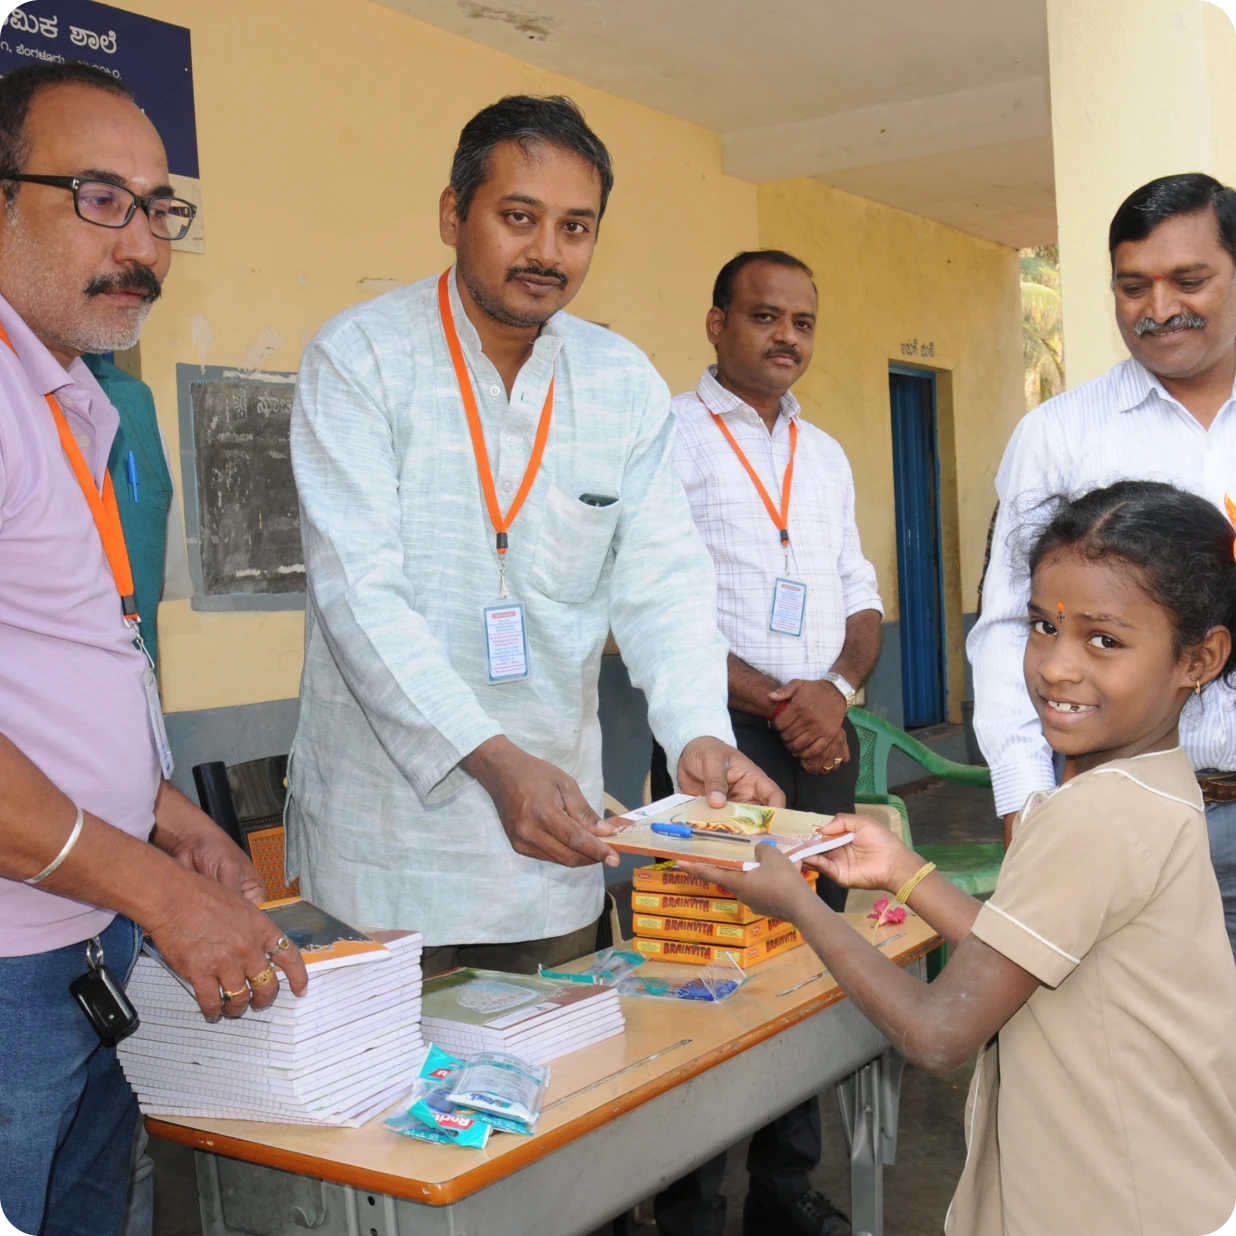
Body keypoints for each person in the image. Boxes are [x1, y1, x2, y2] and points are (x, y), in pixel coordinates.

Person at [286, 94, 780, 980]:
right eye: (520, 218)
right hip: (385, 856)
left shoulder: (620, 381)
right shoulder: (359, 358)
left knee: (556, 1098)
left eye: (576, 228)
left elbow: (664, 579)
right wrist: (497, 760)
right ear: (453, 213)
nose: (548, 253)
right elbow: (358, 595)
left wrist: (699, 732)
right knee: (394, 1111)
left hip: (553, 853)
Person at [684, 480, 1236, 1235]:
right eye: (1044, 627)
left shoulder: (1097, 815)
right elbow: (1023, 949)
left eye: (1103, 640)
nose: (1056, 668)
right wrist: (901, 872)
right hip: (1162, 1178)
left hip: (1109, 1198)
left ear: (1198, 658)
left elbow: (939, 1031)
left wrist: (798, 902)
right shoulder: (1154, 780)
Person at [0, 62, 307, 1236]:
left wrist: (166, 812)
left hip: (87, 938)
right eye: (98, 198)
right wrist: (168, 902)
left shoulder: (68, 395)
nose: (145, 244)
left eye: (158, 207)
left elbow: (56, 660)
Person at [650, 249, 883, 1236]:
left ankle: (785, 1194)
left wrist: (832, 693)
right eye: (765, 317)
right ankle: (689, 1204)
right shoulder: (667, 433)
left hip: (823, 736)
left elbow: (862, 596)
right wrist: (782, 701)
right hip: (713, 736)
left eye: (803, 321)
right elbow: (656, 603)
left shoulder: (824, 453)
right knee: (707, 966)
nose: (787, 336)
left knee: (811, 959)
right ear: (716, 323)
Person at [967, 172, 1236, 954]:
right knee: (1139, 1063)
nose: (1157, 309)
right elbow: (1007, 624)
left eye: (1189, 280)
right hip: (1119, 818)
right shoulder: (1059, 437)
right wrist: (1025, 800)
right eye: (1132, 286)